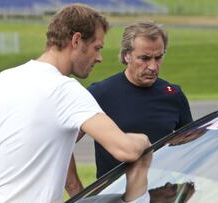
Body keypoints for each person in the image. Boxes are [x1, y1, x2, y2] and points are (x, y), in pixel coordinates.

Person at [0, 4, 151, 203]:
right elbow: (126, 149)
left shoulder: (4, 80)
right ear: (76, 40)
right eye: (97, 48)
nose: (99, 58)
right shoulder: (65, 90)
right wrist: (143, 140)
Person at [66, 20, 193, 195]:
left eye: (159, 57)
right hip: (115, 197)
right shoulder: (101, 93)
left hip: (163, 196)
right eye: (144, 58)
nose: (153, 66)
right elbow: (60, 145)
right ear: (126, 55)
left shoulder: (173, 94)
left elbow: (191, 151)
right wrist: (76, 191)